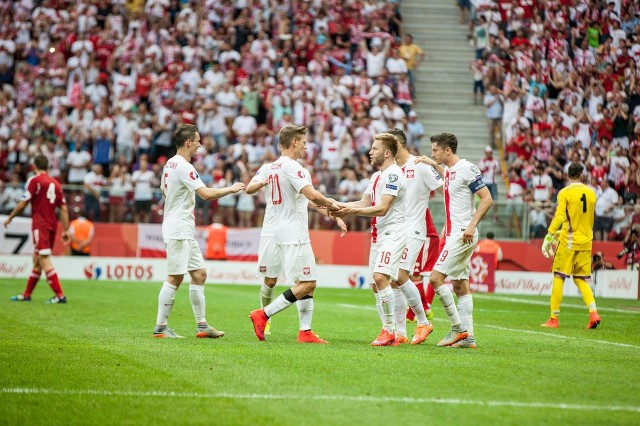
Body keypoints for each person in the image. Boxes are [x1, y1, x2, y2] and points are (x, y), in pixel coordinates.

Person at [248, 125, 340, 344]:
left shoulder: (271, 167)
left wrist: (329, 210)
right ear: (295, 142)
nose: (306, 147)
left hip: (276, 230)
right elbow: (311, 194)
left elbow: (303, 198)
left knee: (303, 280)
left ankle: (305, 332)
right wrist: (333, 204)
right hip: (294, 233)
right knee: (308, 283)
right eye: (304, 142)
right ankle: (264, 314)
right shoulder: (295, 167)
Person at [153, 124, 246, 339]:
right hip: (179, 228)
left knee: (199, 274)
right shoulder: (184, 166)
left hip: (182, 227)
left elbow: (164, 191)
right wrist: (230, 189)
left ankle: (202, 326)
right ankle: (160, 327)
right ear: (188, 142)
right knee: (175, 277)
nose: (199, 145)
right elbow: (205, 193)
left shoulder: (169, 164)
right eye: (197, 141)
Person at [416, 133, 493, 348]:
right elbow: (448, 176)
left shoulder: (467, 168)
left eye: (435, 150)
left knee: (435, 278)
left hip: (462, 233)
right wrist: (432, 163)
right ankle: (468, 338)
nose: (433, 153)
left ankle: (458, 329)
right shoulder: (450, 170)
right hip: (453, 233)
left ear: (447, 150)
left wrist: (471, 225)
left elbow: (487, 199)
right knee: (460, 285)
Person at [332, 133, 408, 346]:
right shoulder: (376, 177)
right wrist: (337, 206)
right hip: (379, 234)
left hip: (395, 232)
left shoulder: (393, 175)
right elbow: (364, 202)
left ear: (386, 153)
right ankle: (391, 331)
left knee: (381, 277)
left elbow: (383, 208)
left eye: (374, 149)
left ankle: (390, 330)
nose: (370, 152)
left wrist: (349, 211)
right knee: (376, 284)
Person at [384, 128, 442, 345]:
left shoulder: (420, 166)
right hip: (396, 230)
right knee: (394, 280)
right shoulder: (392, 170)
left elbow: (446, 188)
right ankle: (400, 332)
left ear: (395, 146)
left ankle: (422, 320)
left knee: (401, 276)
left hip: (414, 230)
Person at [541, 162, 601, 329]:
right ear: (582, 175)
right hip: (586, 241)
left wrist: (550, 234)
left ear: (568, 176)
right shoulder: (591, 193)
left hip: (569, 242)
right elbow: (581, 219)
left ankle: (553, 319)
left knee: (559, 276)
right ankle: (593, 312)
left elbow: (560, 216)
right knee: (581, 279)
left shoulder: (564, 192)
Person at [3, 155, 70, 304]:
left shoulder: (35, 180)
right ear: (47, 167)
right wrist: (66, 230)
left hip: (40, 225)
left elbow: (23, 203)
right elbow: (64, 208)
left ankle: (60, 295)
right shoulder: (56, 184)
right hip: (52, 225)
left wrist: (10, 218)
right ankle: (26, 294)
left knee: (44, 259)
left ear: (34, 166)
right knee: (37, 260)